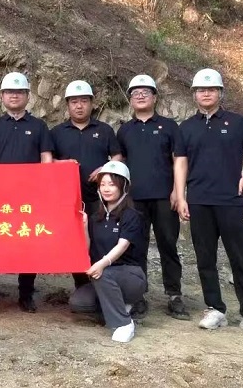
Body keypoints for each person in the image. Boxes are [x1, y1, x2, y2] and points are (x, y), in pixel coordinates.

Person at [175, 68, 243, 338]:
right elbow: (180, 162)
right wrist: (181, 196)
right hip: (199, 201)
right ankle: (215, 309)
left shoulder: (236, 122)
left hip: (231, 201)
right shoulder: (186, 127)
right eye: (200, 90)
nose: (206, 93)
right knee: (205, 258)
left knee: (240, 258)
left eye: (211, 89)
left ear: (220, 93)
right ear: (194, 94)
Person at [0, 72, 54, 314]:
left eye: (19, 92)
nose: (14, 95)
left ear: (28, 96)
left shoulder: (39, 126)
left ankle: (26, 294)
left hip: (29, 198)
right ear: (1, 96)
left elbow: (46, 159)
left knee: (28, 243)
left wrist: (45, 189)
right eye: (9, 92)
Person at [116, 74, 189, 320]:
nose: (140, 95)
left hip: (164, 198)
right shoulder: (125, 130)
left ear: (155, 97)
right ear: (130, 99)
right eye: (135, 93)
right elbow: (119, 163)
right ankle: (138, 295)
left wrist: (178, 191)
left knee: (168, 244)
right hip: (134, 199)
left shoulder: (169, 126)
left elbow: (178, 161)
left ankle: (174, 295)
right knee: (136, 247)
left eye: (145, 92)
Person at [51, 80, 122, 290]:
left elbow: (117, 156)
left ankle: (104, 283)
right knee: (76, 241)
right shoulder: (57, 132)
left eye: (84, 101)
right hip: (69, 199)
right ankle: (82, 286)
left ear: (92, 104)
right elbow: (47, 160)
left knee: (101, 237)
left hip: (100, 198)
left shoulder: (104, 130)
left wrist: (105, 168)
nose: (79, 106)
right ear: (67, 105)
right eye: (74, 102)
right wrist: (62, 164)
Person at [69, 161, 147, 343]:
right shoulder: (96, 216)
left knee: (102, 274)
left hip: (130, 276)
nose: (106, 189)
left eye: (111, 184)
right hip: (104, 278)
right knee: (78, 302)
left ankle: (124, 323)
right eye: (102, 184)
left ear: (123, 186)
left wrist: (102, 264)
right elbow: (87, 248)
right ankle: (118, 307)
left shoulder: (131, 215)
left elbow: (122, 246)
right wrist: (85, 227)